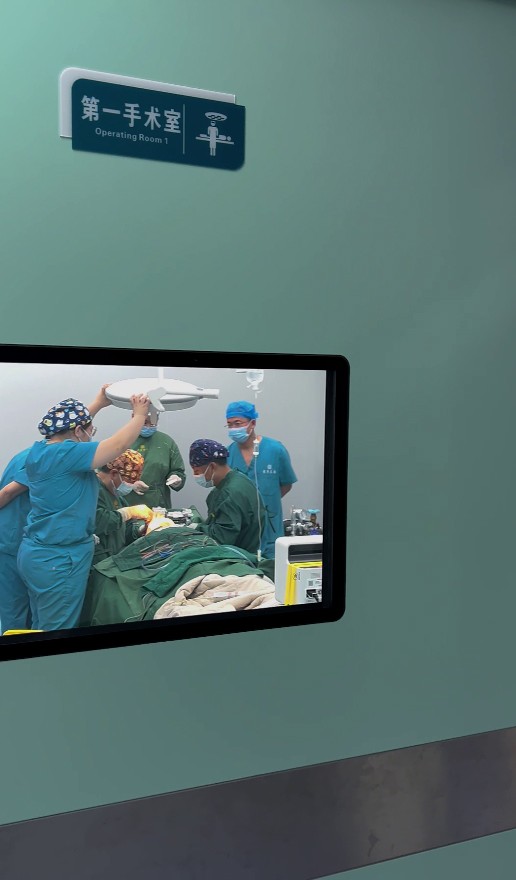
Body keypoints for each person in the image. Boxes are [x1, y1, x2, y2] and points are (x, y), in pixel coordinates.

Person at [17, 387, 152, 631]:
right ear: (79, 431)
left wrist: (98, 403)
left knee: (41, 625)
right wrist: (140, 415)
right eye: (91, 431)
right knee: (56, 631)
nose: (91, 436)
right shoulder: (65, 454)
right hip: (59, 561)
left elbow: (69, 426)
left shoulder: (40, 451)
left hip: (36, 555)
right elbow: (118, 444)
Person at [225, 401, 297, 558]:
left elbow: (286, 484)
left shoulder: (275, 449)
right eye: (229, 424)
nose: (233, 428)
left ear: (253, 423)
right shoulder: (228, 454)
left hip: (270, 530)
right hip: (241, 531)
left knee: (271, 567)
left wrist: (264, 504)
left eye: (237, 423)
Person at [188, 439, 266, 555]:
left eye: (197, 471)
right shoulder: (238, 478)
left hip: (238, 558)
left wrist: (196, 528)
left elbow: (221, 538)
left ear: (212, 466)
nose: (196, 476)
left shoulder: (229, 493)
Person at [124, 412, 186, 511]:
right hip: (128, 503)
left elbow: (178, 471)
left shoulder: (166, 442)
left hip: (158, 504)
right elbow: (106, 475)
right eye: (145, 422)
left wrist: (175, 478)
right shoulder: (122, 440)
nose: (148, 427)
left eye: (152, 423)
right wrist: (128, 486)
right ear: (134, 418)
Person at [0, 448, 32, 633]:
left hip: (13, 537)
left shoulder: (26, 454)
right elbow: (6, 493)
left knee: (19, 607)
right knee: (14, 611)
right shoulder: (42, 459)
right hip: (13, 541)